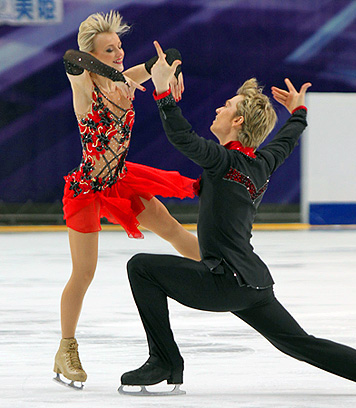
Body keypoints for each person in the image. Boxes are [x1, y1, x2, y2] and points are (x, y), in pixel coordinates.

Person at [119, 41, 356, 396]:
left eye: (227, 107)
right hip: (252, 285)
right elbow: (287, 139)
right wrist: (298, 112)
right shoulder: (260, 164)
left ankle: (164, 361)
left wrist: (162, 90)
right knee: (302, 344)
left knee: (141, 267)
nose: (220, 109)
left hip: (223, 281)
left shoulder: (224, 162)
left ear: (237, 121)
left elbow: (181, 136)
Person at [53, 13, 201, 389]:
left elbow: (165, 57)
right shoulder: (84, 87)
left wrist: (172, 67)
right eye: (110, 49)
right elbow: (72, 57)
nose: (119, 54)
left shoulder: (130, 77)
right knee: (84, 272)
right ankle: (65, 348)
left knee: (171, 229)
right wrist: (120, 75)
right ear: (94, 53)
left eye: (119, 47)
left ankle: (232, 268)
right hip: (88, 186)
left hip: (120, 179)